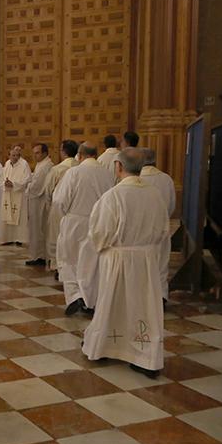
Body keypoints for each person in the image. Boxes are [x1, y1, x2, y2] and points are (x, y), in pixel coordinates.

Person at [81, 148, 169, 378]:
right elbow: (163, 231)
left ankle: (105, 347)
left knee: (113, 302)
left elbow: (100, 233)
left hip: (117, 260)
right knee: (143, 306)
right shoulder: (155, 195)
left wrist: (100, 246)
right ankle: (146, 357)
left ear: (118, 166)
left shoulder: (113, 196)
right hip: (146, 260)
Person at [52, 142, 114, 315]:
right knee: (92, 263)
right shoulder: (108, 174)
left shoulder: (74, 172)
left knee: (69, 259)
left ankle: (75, 296)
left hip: (75, 221)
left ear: (79, 155)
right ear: (96, 154)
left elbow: (59, 200)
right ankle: (90, 301)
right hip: (99, 222)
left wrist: (65, 216)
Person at [140, 148, 176, 301]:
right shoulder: (166, 179)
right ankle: (161, 296)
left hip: (140, 228)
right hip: (161, 226)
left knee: (142, 265)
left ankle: (143, 296)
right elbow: (172, 205)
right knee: (161, 263)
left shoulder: (137, 179)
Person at [44, 140, 79, 271]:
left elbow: (48, 190)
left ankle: (57, 265)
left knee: (56, 235)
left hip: (59, 208)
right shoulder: (80, 167)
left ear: (63, 152)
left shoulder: (57, 169)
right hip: (76, 209)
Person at [24, 144, 53, 266]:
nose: (35, 155)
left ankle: (39, 256)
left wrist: (28, 188)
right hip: (36, 200)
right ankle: (38, 254)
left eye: (37, 153)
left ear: (45, 153)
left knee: (38, 229)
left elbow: (36, 185)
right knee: (36, 229)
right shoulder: (41, 164)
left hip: (39, 201)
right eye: (34, 153)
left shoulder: (46, 166)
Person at [0, 146, 31, 245]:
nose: (15, 157)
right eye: (13, 155)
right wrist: (5, 183)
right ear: (9, 155)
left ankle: (19, 238)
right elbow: (1, 178)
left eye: (17, 155)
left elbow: (27, 179)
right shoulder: (7, 164)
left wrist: (14, 184)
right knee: (6, 214)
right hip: (7, 193)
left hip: (18, 194)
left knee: (19, 216)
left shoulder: (24, 164)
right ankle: (7, 238)